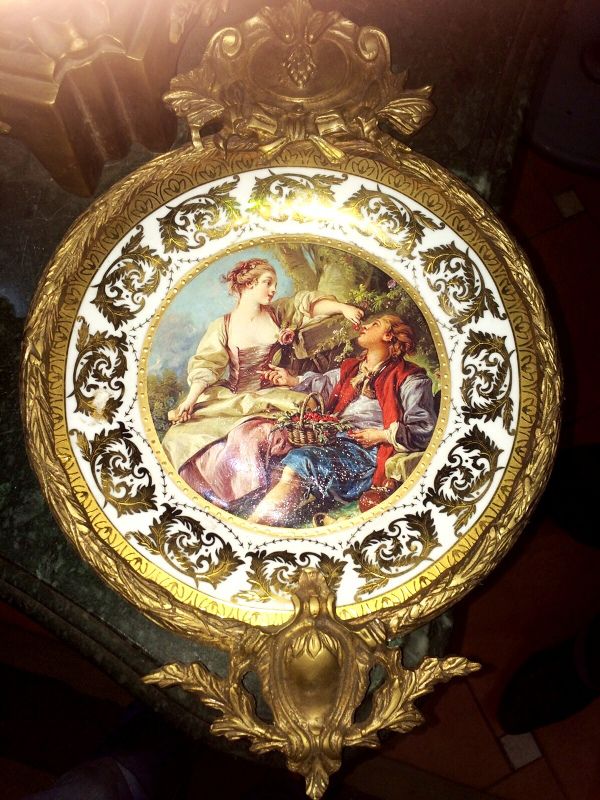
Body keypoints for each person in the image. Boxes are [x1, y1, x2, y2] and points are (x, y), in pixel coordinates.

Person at [161, 257, 363, 508]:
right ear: (248, 284)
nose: (273, 289)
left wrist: (342, 308)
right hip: (234, 398)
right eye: (268, 283)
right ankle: (214, 499)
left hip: (273, 396)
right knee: (181, 437)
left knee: (248, 435)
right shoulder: (222, 326)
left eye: (275, 284)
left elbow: (307, 305)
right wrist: (190, 401)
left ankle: (248, 498)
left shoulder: (278, 313)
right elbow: (207, 365)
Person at [248, 314, 437, 525]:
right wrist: (291, 380)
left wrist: (381, 435)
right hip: (335, 441)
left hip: (366, 452)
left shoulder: (411, 379)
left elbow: (424, 429)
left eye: (375, 324)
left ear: (388, 336)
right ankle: (266, 523)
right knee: (281, 464)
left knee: (300, 462)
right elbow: (325, 385)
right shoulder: (352, 369)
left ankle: (255, 527)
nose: (364, 326)